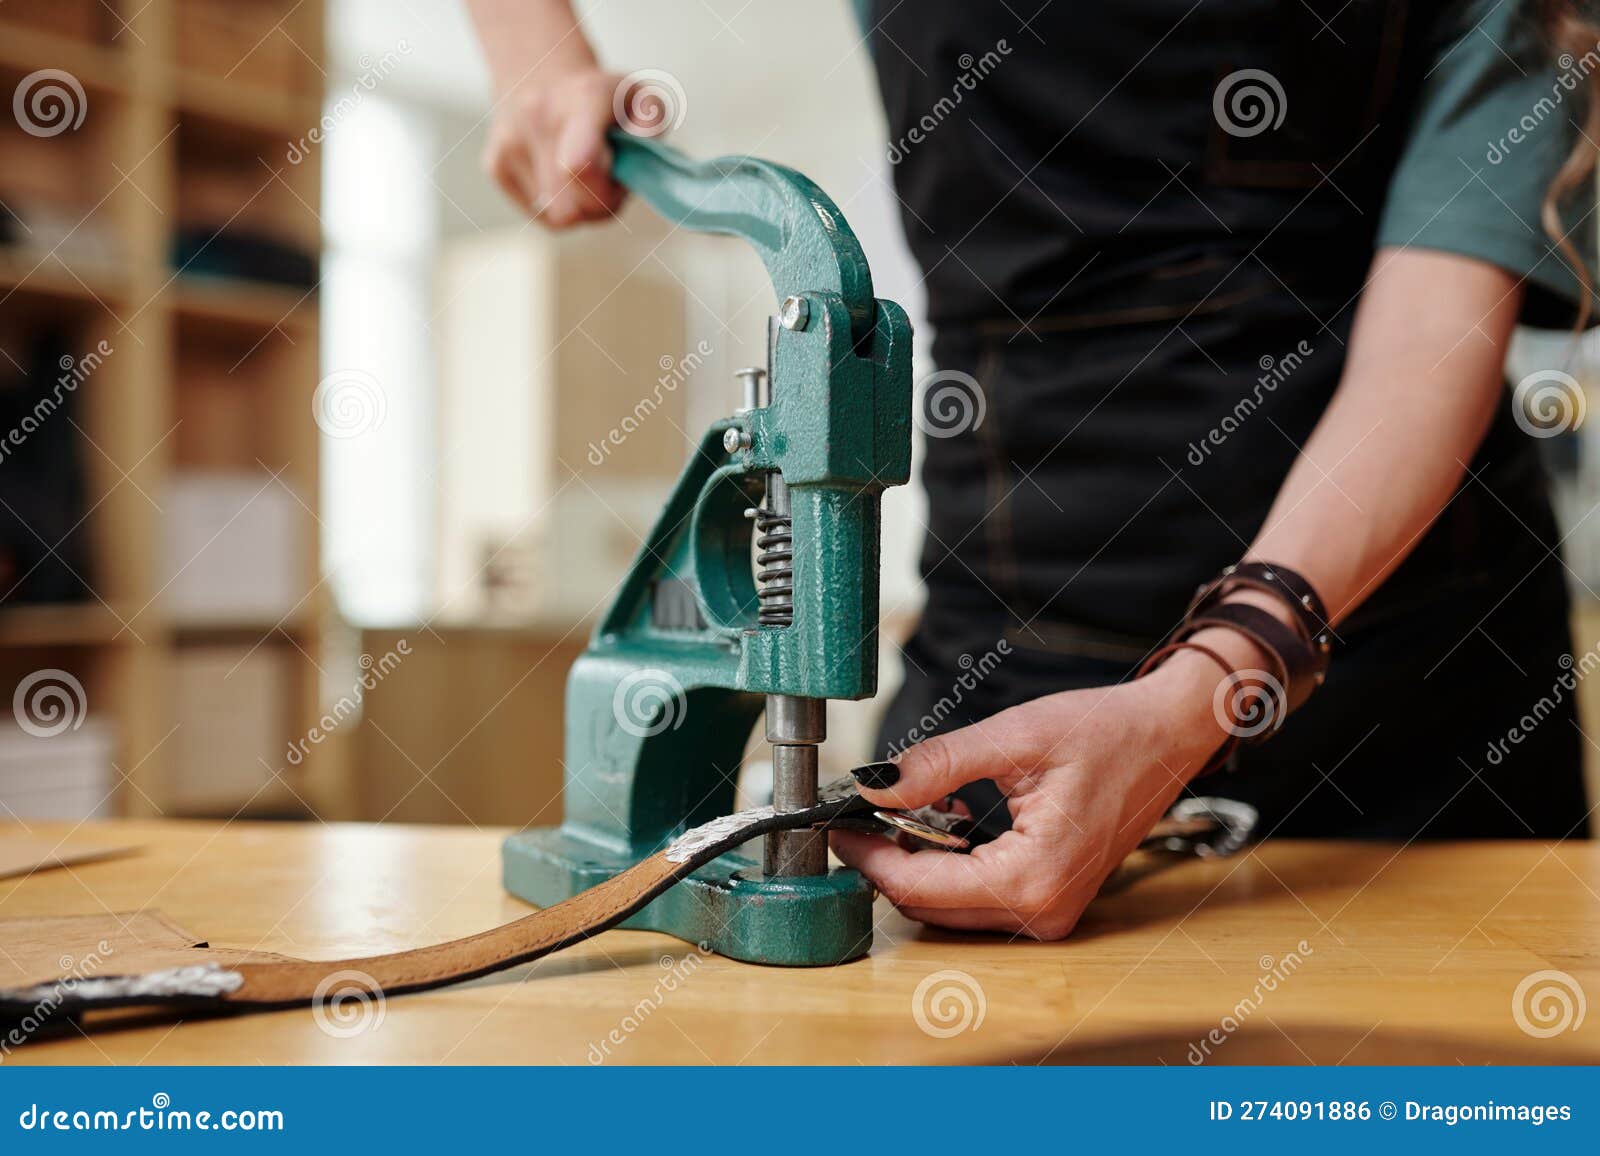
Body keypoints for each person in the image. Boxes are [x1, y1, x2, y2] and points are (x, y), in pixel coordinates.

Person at [465, 0, 1599, 940]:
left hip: (1401, 702)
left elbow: (1425, 351)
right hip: (1008, 655)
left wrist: (1204, 688)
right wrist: (535, 54)